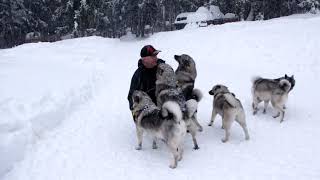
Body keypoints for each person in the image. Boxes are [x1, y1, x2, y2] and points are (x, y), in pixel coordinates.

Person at [127, 45, 165, 113]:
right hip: (149, 111)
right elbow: (131, 97)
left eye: (156, 55)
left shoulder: (164, 69)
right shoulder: (138, 75)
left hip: (165, 106)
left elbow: (175, 86)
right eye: (153, 56)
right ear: (144, 59)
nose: (156, 58)